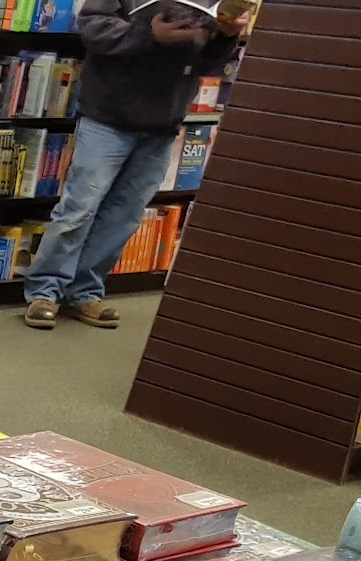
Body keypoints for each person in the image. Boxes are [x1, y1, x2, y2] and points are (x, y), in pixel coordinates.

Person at [23, 0, 245, 330]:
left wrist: (226, 35)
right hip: (107, 117)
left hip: (163, 123)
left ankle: (84, 293)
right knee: (79, 208)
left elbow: (208, 63)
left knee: (124, 216)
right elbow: (93, 29)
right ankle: (45, 292)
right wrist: (148, 35)